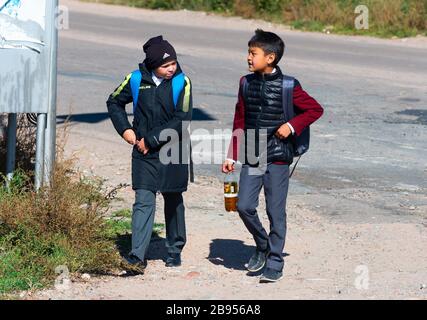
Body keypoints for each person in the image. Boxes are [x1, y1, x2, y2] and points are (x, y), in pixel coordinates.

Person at [222, 29, 323, 283]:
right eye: (248, 52)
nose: (248, 57)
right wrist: (232, 155)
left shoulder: (289, 85)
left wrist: (291, 126)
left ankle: (275, 261)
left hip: (278, 156)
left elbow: (314, 109)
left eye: (253, 53)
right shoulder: (245, 83)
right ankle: (263, 245)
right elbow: (240, 119)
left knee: (275, 211)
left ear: (270, 57)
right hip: (253, 155)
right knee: (243, 205)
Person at [107, 35, 193, 273]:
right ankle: (137, 256)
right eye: (166, 66)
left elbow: (182, 119)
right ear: (153, 65)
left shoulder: (182, 82)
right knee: (143, 201)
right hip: (143, 153)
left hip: (172, 150)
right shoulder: (135, 79)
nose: (171, 69)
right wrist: (125, 130)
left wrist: (152, 139)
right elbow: (114, 102)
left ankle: (174, 249)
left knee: (173, 198)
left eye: (173, 63)